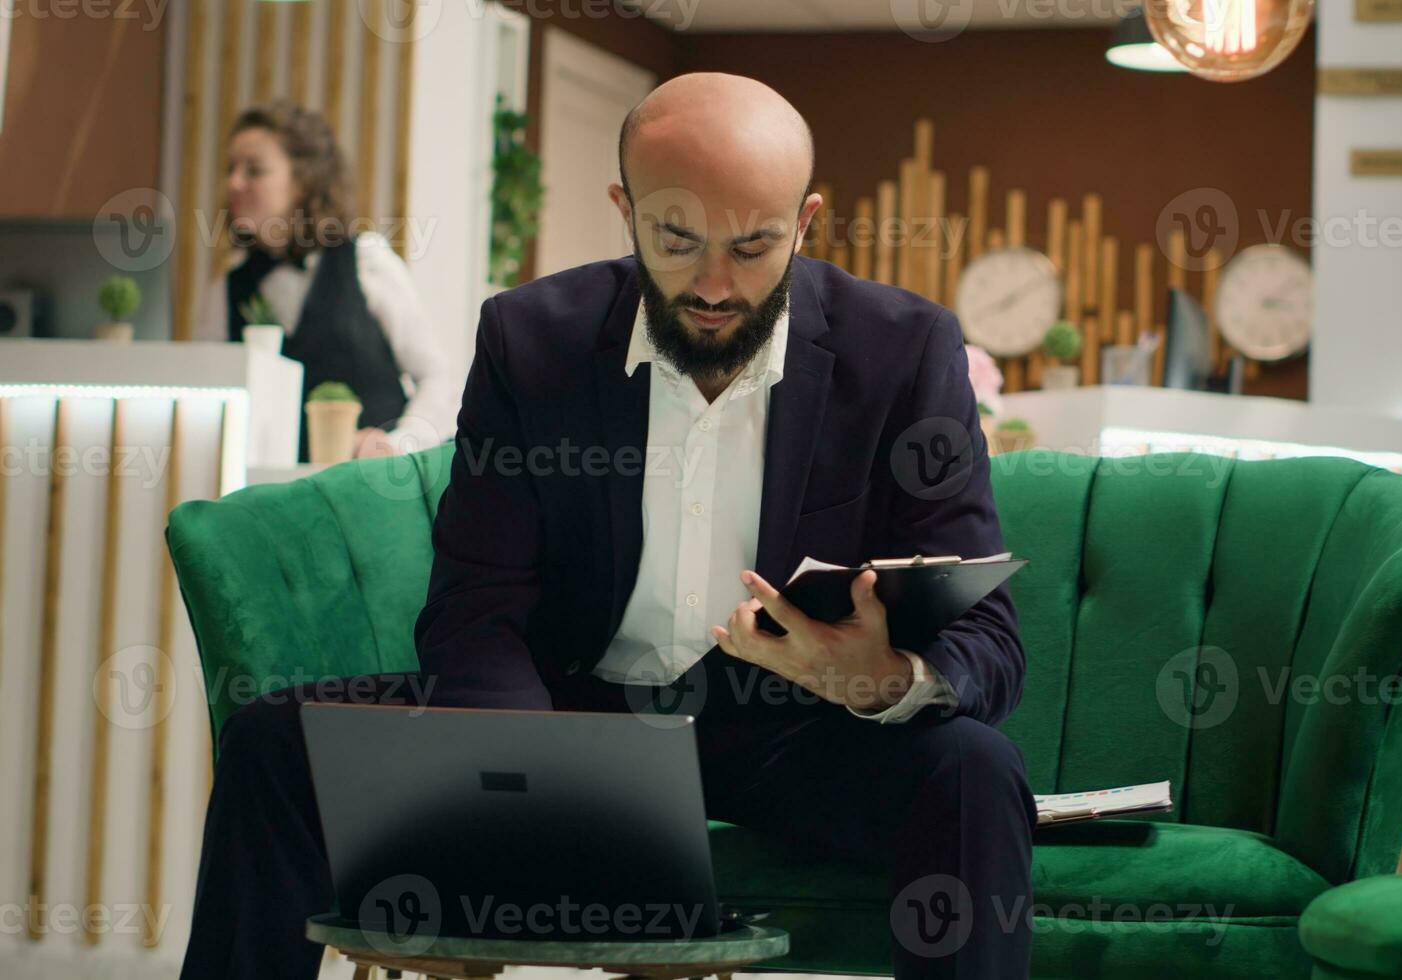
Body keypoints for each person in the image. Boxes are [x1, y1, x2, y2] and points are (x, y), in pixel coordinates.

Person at [180, 73, 1035, 979]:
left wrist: (879, 678)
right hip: (570, 714)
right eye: (676, 240)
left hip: (795, 731)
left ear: (807, 221)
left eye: (753, 246)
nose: (714, 285)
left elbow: (990, 637)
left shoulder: (903, 350)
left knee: (972, 772)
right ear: (624, 209)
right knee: (272, 746)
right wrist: (525, 763)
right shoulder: (529, 337)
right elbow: (478, 602)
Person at [193, 100, 456, 460]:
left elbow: (437, 377)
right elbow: (208, 397)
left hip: (377, 493)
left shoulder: (366, 260)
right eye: (231, 169)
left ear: (303, 182)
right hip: (277, 499)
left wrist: (398, 445)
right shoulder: (226, 289)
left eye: (254, 170)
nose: (234, 183)